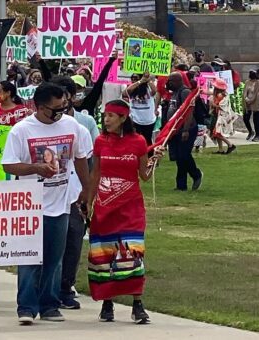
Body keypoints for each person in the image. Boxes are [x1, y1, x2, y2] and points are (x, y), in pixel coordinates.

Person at [1, 83, 92, 325]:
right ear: (38, 107)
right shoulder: (21, 131)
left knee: (54, 257)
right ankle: (27, 307)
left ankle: (50, 305)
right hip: (31, 204)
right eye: (54, 109)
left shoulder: (72, 126)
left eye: (64, 107)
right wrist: (36, 167)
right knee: (30, 258)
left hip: (60, 202)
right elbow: (8, 165)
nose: (60, 113)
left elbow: (81, 158)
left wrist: (86, 189)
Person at [87, 99, 165, 324]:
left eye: (111, 115)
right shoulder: (100, 141)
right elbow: (95, 175)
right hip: (104, 209)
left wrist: (154, 161)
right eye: (105, 115)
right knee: (105, 255)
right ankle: (107, 303)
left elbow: (144, 175)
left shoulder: (138, 141)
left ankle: (137, 305)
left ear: (123, 118)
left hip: (130, 208)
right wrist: (89, 203)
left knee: (133, 254)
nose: (106, 120)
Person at [50, 76, 95, 309]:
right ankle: (45, 289)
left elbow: (86, 164)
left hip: (72, 197)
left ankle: (65, 288)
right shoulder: (28, 128)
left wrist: (86, 196)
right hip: (45, 198)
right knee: (47, 247)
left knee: (72, 243)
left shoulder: (80, 129)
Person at [167, 72, 204, 191]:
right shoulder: (175, 93)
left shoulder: (184, 92)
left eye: (171, 81)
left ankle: (196, 174)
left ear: (178, 81)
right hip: (176, 129)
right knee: (179, 157)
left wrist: (186, 130)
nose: (169, 83)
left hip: (187, 128)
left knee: (184, 155)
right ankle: (181, 185)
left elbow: (189, 112)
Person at [73, 51, 117, 117]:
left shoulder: (90, 100)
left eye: (78, 88)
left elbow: (101, 80)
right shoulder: (65, 105)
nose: (76, 91)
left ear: (84, 88)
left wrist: (111, 60)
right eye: (73, 88)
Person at [123, 72, 157, 148]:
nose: (134, 80)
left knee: (147, 140)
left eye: (136, 78)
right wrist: (140, 81)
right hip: (135, 119)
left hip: (148, 120)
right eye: (132, 78)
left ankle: (149, 157)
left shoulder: (148, 88)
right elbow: (126, 92)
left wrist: (148, 80)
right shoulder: (131, 89)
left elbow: (154, 91)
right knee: (135, 140)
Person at [209, 78, 238, 154]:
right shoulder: (224, 94)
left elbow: (219, 106)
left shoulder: (219, 95)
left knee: (217, 133)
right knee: (218, 132)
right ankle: (220, 149)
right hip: (221, 115)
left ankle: (230, 145)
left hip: (221, 116)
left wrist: (212, 104)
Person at [243, 70, 259, 141]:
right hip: (248, 102)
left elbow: (255, 94)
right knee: (245, 118)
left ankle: (257, 135)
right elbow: (245, 92)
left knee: (256, 120)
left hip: (256, 102)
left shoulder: (258, 83)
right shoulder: (247, 82)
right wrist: (246, 99)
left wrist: (251, 100)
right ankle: (250, 131)